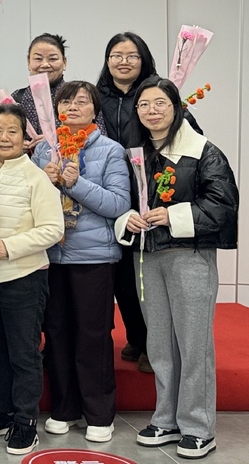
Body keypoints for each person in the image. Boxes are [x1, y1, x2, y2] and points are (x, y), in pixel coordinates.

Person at [119, 77, 238, 460]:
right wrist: (126, 219)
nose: (151, 111)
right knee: (159, 344)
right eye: (144, 105)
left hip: (190, 256)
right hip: (147, 255)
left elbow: (222, 207)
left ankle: (199, 427)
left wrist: (173, 216)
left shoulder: (203, 151)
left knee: (192, 344)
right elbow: (121, 199)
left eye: (160, 103)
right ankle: (166, 419)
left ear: (176, 107)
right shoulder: (135, 153)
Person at [32, 81, 130, 443]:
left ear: (94, 110)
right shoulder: (44, 150)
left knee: (92, 335)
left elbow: (119, 204)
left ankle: (99, 413)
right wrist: (44, 182)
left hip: (94, 256)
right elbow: (30, 199)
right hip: (51, 255)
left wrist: (75, 184)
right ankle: (65, 408)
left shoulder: (110, 150)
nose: (72, 107)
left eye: (81, 102)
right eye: (66, 101)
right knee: (56, 333)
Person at [0, 102, 63, 456]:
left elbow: (53, 229)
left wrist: (8, 247)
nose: (4, 138)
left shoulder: (36, 178)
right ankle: (2, 410)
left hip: (23, 278)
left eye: (12, 132)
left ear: (24, 138)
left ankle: (25, 420)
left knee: (23, 353)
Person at [96, 31, 157, 373]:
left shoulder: (156, 94)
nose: (124, 61)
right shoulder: (96, 96)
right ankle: (136, 336)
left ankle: (152, 342)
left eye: (132, 55)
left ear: (143, 59)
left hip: (148, 194)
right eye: (116, 55)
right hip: (109, 194)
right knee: (119, 275)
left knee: (143, 273)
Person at [11, 33, 68, 143]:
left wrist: (57, 140)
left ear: (64, 62)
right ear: (28, 62)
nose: (45, 64)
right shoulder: (17, 98)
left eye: (52, 59)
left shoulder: (78, 96)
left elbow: (96, 135)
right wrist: (17, 143)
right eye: (38, 59)